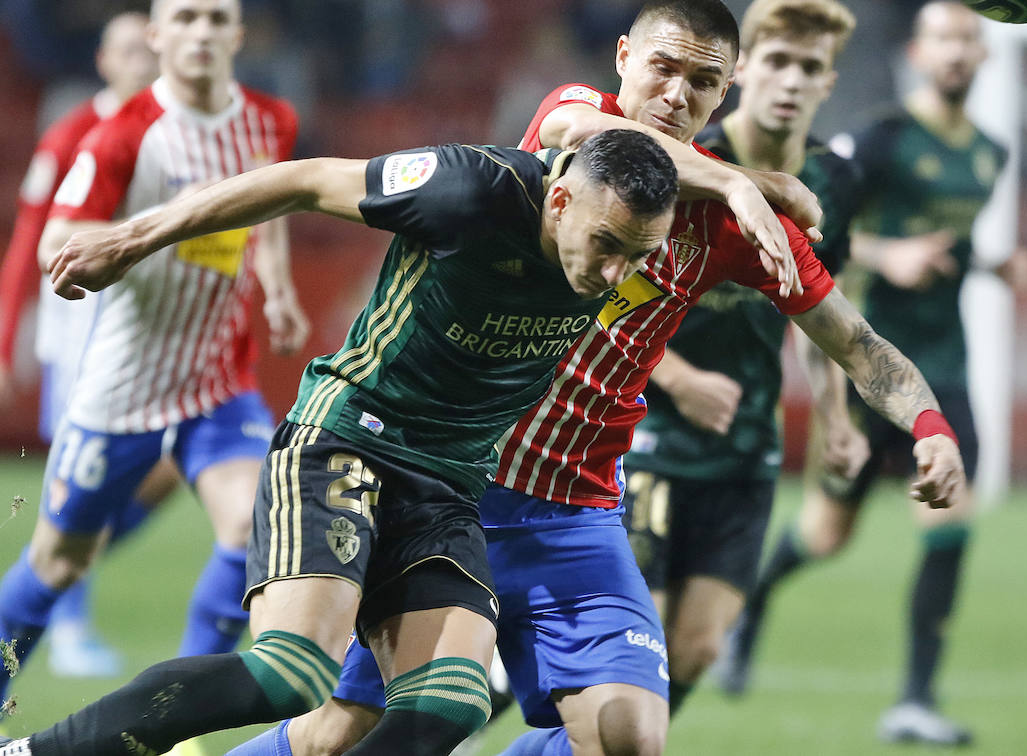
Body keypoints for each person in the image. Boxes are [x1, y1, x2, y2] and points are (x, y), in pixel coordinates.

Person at [223, 0, 965, 756]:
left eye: (702, 82)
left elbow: (856, 342)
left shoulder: (734, 229)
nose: (676, 95)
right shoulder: (574, 123)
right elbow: (582, 127)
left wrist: (930, 425)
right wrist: (740, 178)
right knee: (336, 735)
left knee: (626, 735)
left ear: (725, 88)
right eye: (662, 69)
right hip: (455, 489)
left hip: (574, 511)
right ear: (623, 60)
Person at [2, 128, 683, 756]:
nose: (618, 273)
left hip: (446, 487)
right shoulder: (467, 190)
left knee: (450, 704)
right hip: (349, 443)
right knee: (289, 675)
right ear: (559, 200)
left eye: (639, 255)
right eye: (607, 245)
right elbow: (301, 180)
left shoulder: (613, 227)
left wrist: (750, 185)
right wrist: (133, 238)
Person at [720, 0, 1027, 747]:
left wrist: (991, 264)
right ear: (918, 54)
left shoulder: (991, 152)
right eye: (941, 40)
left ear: (984, 55)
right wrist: (885, 256)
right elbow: (819, 233)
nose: (956, 52)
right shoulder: (881, 142)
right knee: (827, 536)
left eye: (968, 39)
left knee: (950, 523)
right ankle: (750, 612)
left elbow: (944, 246)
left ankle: (916, 699)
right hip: (868, 359)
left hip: (946, 365)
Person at [0, 0, 309, 720]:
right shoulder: (120, 135)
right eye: (185, 18)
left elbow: (264, 205)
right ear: (158, 35)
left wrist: (278, 287)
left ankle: (175, 708)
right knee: (60, 561)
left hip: (218, 380)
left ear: (238, 33)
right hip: (123, 385)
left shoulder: (272, 119)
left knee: (254, 527)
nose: (201, 32)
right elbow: (56, 244)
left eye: (215, 18)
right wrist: (135, 240)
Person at [620, 0, 863, 715]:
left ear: (829, 81)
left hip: (746, 443)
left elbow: (820, 312)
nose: (792, 82)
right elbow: (601, 294)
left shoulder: (832, 182)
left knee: (695, 648)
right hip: (645, 430)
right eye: (779, 62)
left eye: (810, 67)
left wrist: (838, 416)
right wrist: (679, 375)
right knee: (632, 641)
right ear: (743, 72)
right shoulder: (686, 159)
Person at [0, 10, 181, 680]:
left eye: (149, 48)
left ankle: (54, 581)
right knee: (78, 486)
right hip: (82, 334)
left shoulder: (176, 134)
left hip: (155, 338)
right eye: (128, 49)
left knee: (165, 473)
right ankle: (68, 625)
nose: (142, 60)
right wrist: (5, 339)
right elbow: (29, 238)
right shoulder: (75, 131)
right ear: (104, 61)